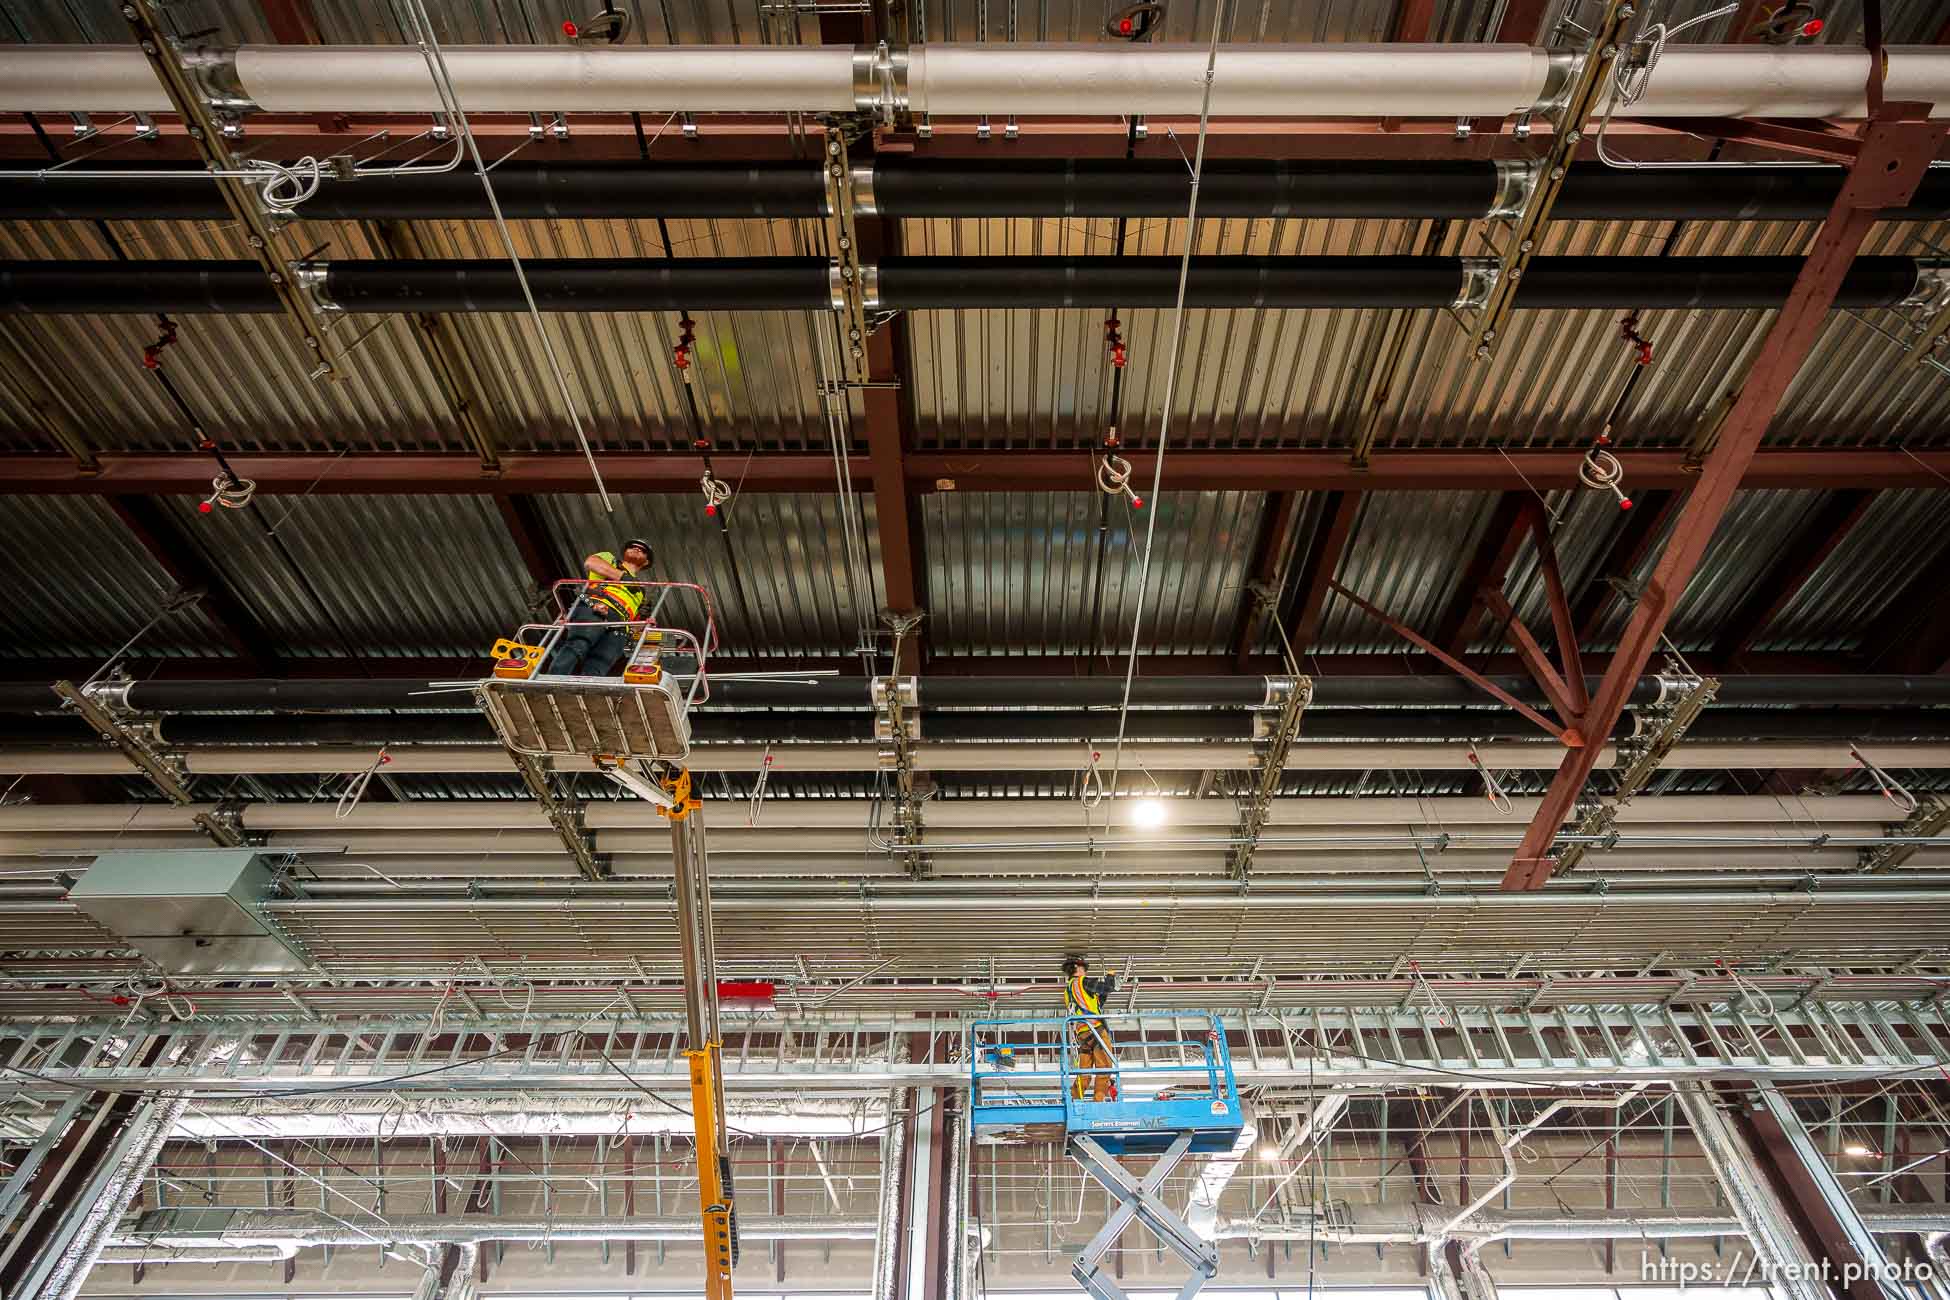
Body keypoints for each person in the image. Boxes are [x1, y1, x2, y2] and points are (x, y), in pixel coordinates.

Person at [544, 539, 654, 677]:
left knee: (599, 664)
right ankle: (554, 680)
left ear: (646, 562)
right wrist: (623, 577)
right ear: (624, 552)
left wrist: (645, 624)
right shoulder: (610, 560)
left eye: (643, 550)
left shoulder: (642, 592)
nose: (637, 549)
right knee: (578, 645)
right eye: (632, 546)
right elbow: (591, 563)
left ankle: (586, 694)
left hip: (620, 626)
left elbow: (637, 622)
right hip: (595, 607)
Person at [1062, 955, 1118, 1102]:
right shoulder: (1083, 982)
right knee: (1105, 1067)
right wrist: (1110, 976)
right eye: (1083, 968)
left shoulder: (1068, 990)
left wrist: (1103, 994)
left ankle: (1074, 1100)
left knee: (1084, 1071)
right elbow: (1108, 987)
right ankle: (1098, 1102)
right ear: (1076, 968)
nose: (1085, 971)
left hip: (1082, 1034)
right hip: (1096, 1029)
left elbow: (1095, 1002)